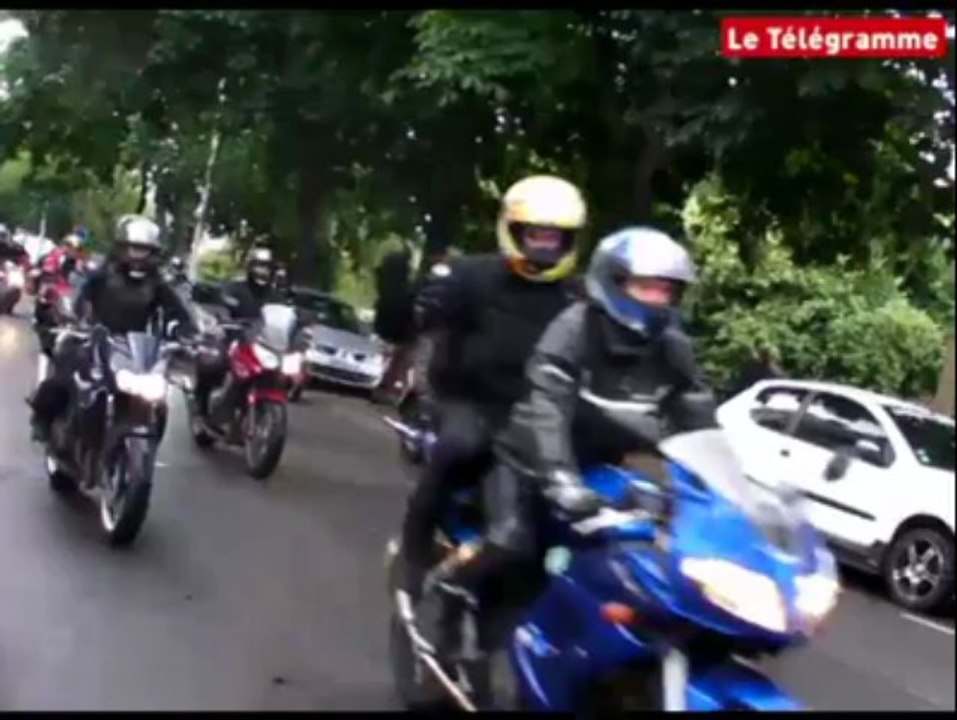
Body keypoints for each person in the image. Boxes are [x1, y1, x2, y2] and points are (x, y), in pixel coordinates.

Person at [415, 226, 719, 660]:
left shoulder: (672, 346)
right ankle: (450, 594)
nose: (657, 299)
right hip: (527, 462)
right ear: (613, 281)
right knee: (510, 541)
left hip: (599, 467)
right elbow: (548, 405)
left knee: (627, 561)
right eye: (646, 286)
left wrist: (719, 489)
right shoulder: (575, 327)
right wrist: (559, 476)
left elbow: (696, 412)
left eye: (666, 290)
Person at [396, 174, 588, 600]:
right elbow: (414, 321)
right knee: (462, 445)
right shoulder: (469, 275)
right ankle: (414, 549)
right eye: (536, 234)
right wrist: (416, 302)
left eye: (555, 237)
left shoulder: (577, 299)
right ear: (514, 231)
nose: (545, 245)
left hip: (538, 414)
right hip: (468, 399)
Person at [29, 215, 197, 442]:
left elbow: (179, 311)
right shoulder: (101, 273)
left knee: (157, 403)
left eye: (144, 250)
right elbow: (78, 294)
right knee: (65, 376)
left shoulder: (157, 283)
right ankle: (42, 418)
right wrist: (74, 317)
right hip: (95, 340)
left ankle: (142, 442)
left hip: (136, 351)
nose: (138, 256)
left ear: (153, 253)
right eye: (134, 249)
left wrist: (187, 332)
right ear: (122, 248)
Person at [192, 246, 278, 422]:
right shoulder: (236, 288)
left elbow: (284, 316)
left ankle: (253, 407)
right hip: (234, 336)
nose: (263, 271)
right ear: (250, 267)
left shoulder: (275, 295)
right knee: (214, 363)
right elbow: (221, 302)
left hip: (262, 342)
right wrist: (224, 317)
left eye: (267, 267)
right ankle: (201, 405)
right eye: (259, 266)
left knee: (275, 370)